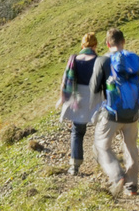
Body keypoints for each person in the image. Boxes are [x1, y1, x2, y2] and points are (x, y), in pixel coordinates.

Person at [91, 27, 139, 197]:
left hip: (112, 113)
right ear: (124, 42)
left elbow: (94, 89)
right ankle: (132, 186)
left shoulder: (104, 61)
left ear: (107, 44)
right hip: (133, 114)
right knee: (130, 147)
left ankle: (117, 175)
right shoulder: (134, 59)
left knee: (101, 145)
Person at [56, 32, 100, 175]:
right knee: (100, 130)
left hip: (78, 99)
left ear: (82, 45)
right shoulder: (99, 60)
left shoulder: (73, 59)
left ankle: (74, 166)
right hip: (95, 99)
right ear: (95, 46)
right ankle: (101, 159)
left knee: (77, 131)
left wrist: (63, 98)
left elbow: (66, 80)